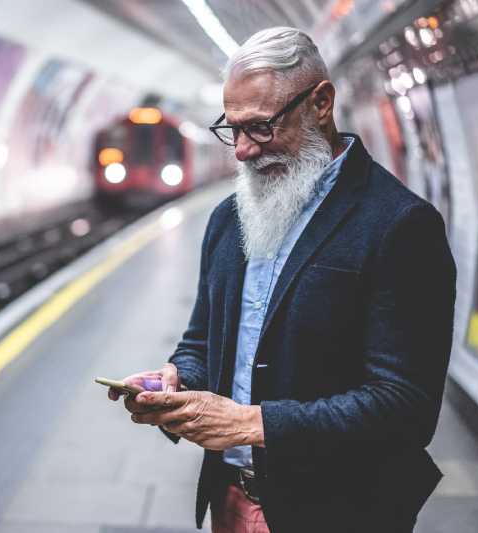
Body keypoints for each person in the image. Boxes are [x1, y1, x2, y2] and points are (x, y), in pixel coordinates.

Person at [107, 27, 456, 533]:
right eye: (233, 130)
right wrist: (179, 381)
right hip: (229, 501)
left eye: (261, 127)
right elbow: (202, 340)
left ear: (321, 103)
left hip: (339, 514)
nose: (244, 151)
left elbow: (406, 408)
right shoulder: (229, 219)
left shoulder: (399, 226)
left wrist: (249, 423)